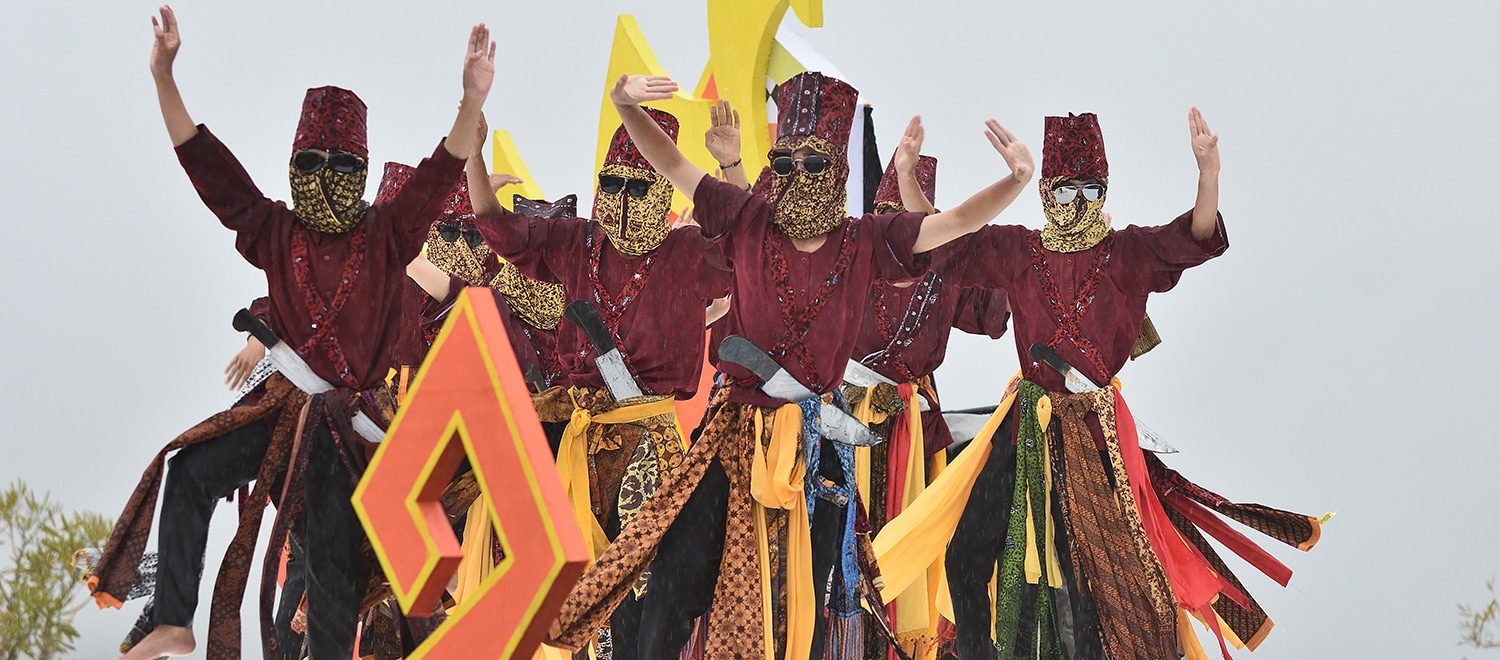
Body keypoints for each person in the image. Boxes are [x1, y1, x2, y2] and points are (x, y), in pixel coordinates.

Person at [544, 71, 1034, 660]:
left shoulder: (866, 240)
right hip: (733, 433)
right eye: (785, 161)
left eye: (813, 162)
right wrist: (624, 105)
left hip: (817, 442)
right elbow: (670, 163)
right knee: (677, 580)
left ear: (837, 169)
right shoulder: (747, 218)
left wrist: (1016, 180)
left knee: (805, 602)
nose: (798, 174)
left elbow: (954, 225)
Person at [89, 7, 496, 659]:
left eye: (341, 165)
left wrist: (472, 99)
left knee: (331, 578)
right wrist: (165, 77)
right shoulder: (274, 231)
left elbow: (438, 173)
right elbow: (207, 167)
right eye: (310, 160)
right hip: (283, 414)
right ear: (291, 164)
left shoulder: (388, 234)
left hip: (347, 434)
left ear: (361, 169)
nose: (324, 175)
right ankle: (173, 619)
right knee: (190, 470)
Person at [875, 110, 1320, 659]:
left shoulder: (1128, 253)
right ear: (1046, 191)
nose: (1079, 202)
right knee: (966, 553)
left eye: (1092, 189)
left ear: (1104, 190)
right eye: (1066, 190)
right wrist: (906, 177)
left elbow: (1196, 237)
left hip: (1094, 436)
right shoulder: (1020, 250)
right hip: (1024, 427)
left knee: (1085, 581)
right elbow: (943, 242)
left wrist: (1208, 174)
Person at [473, 107, 733, 655]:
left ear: (662, 189)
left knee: (642, 590)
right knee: (565, 587)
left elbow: (749, 248)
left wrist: (730, 167)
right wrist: (473, 156)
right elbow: (498, 230)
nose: (622, 197)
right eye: (611, 183)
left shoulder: (687, 252)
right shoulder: (577, 243)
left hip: (648, 442)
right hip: (579, 435)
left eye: (638, 186)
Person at [834, 119, 1013, 659]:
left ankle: (898, 646)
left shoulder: (946, 276)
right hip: (839, 420)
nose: (901, 239)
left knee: (907, 544)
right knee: (839, 546)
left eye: (914, 226)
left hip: (910, 433)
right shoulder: (848, 258)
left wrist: (1066, 252)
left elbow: (998, 307)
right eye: (891, 221)